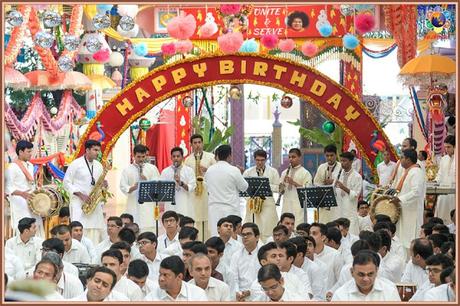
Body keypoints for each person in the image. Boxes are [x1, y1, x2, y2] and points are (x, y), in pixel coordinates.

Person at [63, 140, 106, 244]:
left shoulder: (99, 165)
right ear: (87, 150)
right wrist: (80, 195)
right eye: (95, 150)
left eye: (98, 150)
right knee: (80, 230)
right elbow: (66, 183)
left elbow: (98, 184)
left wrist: (103, 185)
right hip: (79, 204)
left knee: (96, 231)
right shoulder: (76, 164)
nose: (98, 153)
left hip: (94, 205)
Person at [205, 145, 248, 236]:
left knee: (216, 235)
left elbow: (207, 187)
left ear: (217, 156)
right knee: (231, 236)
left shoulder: (209, 170)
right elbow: (244, 187)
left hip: (214, 207)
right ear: (229, 156)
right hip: (230, 208)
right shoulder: (234, 170)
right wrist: (241, 174)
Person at [5, 140, 44, 237]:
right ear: (20, 152)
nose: (31, 154)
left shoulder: (30, 165)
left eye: (31, 151)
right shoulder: (12, 167)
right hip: (20, 203)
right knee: (23, 229)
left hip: (32, 202)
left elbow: (30, 184)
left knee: (35, 227)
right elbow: (8, 188)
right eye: (28, 152)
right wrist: (22, 194)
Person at [120, 144, 160, 232]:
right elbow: (123, 186)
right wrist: (134, 187)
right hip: (133, 204)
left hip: (148, 206)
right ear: (134, 156)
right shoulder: (127, 170)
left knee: (149, 230)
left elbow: (157, 186)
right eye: (138, 157)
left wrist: (146, 181)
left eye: (143, 156)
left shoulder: (152, 168)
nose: (141, 159)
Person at [332, 250, 401, 301]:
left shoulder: (389, 291)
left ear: (377, 271)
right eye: (361, 274)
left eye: (370, 274)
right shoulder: (340, 295)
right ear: (352, 272)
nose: (366, 279)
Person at [184, 134, 217, 240]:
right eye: (195, 143)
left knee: (208, 218)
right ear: (191, 145)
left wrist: (207, 170)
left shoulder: (211, 157)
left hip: (208, 191)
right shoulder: (188, 160)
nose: (197, 145)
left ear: (202, 143)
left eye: (199, 142)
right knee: (196, 217)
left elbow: (217, 172)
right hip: (195, 192)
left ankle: (208, 241)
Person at [243, 150, 279, 242]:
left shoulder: (273, 171)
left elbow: (278, 187)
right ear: (254, 159)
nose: (260, 162)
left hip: (268, 204)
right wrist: (251, 199)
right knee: (253, 228)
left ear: (266, 160)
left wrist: (265, 185)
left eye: (262, 160)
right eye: (257, 160)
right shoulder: (248, 172)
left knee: (269, 228)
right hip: (253, 206)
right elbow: (243, 188)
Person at [393, 149, 426, 252]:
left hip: (412, 212)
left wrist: (399, 199)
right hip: (404, 210)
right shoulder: (407, 172)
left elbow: (416, 192)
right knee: (402, 240)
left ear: (408, 159)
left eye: (402, 157)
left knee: (411, 239)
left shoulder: (416, 172)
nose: (400, 160)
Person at [160, 147, 196, 218]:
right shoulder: (165, 171)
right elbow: (161, 189)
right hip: (170, 204)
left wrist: (181, 183)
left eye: (178, 156)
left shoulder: (189, 170)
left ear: (182, 157)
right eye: (174, 156)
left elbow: (191, 187)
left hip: (185, 203)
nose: (176, 158)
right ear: (171, 158)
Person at [230, 223, 262, 300]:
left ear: (257, 237)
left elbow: (265, 278)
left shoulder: (264, 254)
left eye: (249, 234)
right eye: (243, 234)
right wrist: (238, 293)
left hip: (259, 293)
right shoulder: (236, 255)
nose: (245, 237)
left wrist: (251, 291)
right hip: (240, 295)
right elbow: (233, 278)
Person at [280, 148, 312, 224]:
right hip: (286, 204)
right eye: (289, 157)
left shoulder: (305, 173)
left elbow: (308, 190)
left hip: (298, 205)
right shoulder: (284, 172)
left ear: (299, 158)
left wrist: (294, 183)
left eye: (293, 157)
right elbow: (281, 190)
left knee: (298, 225)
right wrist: (281, 187)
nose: (291, 159)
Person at [289, 236, 325, 300]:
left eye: (290, 252)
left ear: (300, 254)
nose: (288, 254)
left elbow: (318, 296)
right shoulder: (286, 266)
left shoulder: (314, 269)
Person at [335, 152, 362, 235]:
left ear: (351, 162)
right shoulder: (338, 175)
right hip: (339, 210)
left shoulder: (357, 176)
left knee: (352, 235)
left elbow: (356, 195)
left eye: (344, 161)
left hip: (350, 211)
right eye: (341, 161)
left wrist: (344, 188)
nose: (342, 163)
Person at [314, 144, 342, 224]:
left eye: (331, 155)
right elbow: (316, 183)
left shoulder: (341, 167)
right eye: (327, 155)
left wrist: (333, 182)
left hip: (337, 201)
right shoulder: (321, 167)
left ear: (336, 155)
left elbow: (343, 184)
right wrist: (323, 184)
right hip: (324, 200)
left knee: (335, 223)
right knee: (323, 223)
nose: (329, 158)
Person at [309, 222, 342, 289]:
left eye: (314, 233)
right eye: (310, 233)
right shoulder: (307, 255)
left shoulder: (335, 255)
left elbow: (341, 280)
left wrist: (331, 292)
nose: (310, 236)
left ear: (323, 237)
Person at [434, 135, 455, 224]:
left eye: (449, 147)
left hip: (454, 193)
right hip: (443, 192)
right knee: (442, 217)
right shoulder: (444, 159)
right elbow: (440, 174)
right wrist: (435, 182)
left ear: (455, 146)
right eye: (445, 147)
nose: (446, 149)